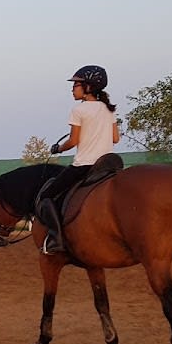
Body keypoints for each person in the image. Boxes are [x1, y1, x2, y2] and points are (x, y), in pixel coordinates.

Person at [38, 65, 120, 255]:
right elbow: (115, 139)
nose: (72, 88)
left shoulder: (78, 110)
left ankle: (56, 239)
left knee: (46, 195)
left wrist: (58, 148)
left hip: (85, 165)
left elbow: (73, 141)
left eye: (76, 85)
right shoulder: (109, 110)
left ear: (88, 87)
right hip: (108, 164)